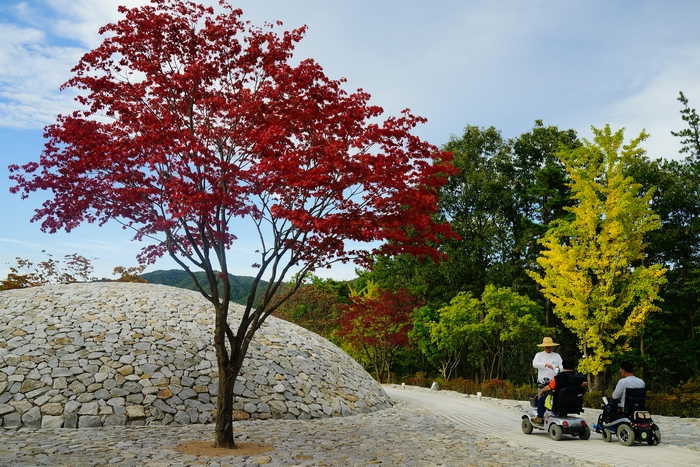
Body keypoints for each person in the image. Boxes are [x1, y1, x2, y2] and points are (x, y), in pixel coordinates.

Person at [531, 337, 562, 425]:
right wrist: (545, 365)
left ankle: (553, 416)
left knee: (553, 400)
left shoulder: (557, 356)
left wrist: (557, 369)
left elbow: (561, 367)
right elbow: (534, 364)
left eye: (549, 346)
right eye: (547, 346)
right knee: (541, 399)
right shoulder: (539, 355)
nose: (548, 348)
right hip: (543, 382)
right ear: (544, 347)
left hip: (554, 382)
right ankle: (540, 417)